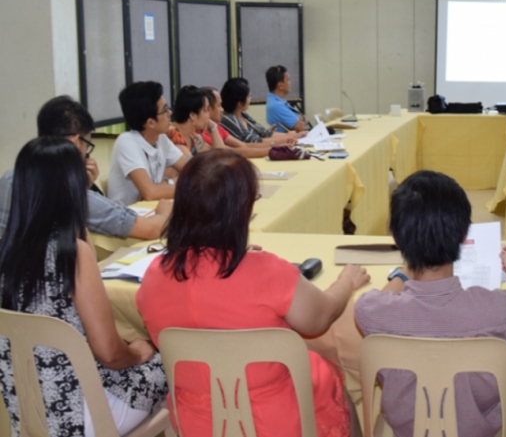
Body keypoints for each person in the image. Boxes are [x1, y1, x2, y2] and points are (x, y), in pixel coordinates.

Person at [136, 150, 368, 437]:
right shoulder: (268, 271)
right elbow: (320, 319)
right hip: (273, 419)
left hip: (196, 421)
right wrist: (346, 281)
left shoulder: (155, 273)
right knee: (326, 371)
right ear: (241, 210)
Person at [354, 170, 506, 437]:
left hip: (407, 429)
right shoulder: (498, 308)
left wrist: (405, 270)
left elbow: (380, 297)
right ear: (463, 236)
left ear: (397, 238)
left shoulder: (370, 310)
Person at [0, 136, 168, 436]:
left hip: (24, 411)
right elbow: (109, 354)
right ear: (72, 190)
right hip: (83, 416)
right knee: (167, 362)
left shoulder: (8, 250)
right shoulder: (70, 255)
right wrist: (139, 353)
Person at [0, 96, 171, 240]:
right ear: (74, 142)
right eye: (87, 145)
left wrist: (82, 186)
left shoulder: (8, 179)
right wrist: (164, 213)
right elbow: (150, 230)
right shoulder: (68, 192)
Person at [108, 81, 188, 206]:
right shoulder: (126, 142)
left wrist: (166, 185)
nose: (170, 113)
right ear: (150, 123)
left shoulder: (161, 139)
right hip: (126, 218)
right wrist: (179, 184)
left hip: (149, 211)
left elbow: (192, 169)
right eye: (165, 110)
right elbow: (151, 193)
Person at [219, 77, 300, 146]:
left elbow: (265, 133)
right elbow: (253, 141)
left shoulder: (243, 115)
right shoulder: (228, 119)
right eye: (249, 96)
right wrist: (286, 138)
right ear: (240, 103)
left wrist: (289, 136)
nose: (251, 99)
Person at [199, 86, 275, 158]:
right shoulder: (201, 132)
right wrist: (273, 150)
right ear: (208, 109)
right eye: (219, 106)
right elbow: (226, 152)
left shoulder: (217, 127)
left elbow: (244, 145)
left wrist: (277, 147)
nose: (222, 110)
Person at [166, 85, 225, 157]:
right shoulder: (172, 134)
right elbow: (190, 167)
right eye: (206, 110)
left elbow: (220, 155)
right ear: (193, 115)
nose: (208, 116)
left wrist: (212, 127)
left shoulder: (194, 137)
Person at [266, 65, 308, 132]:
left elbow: (301, 120)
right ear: (280, 86)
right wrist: (300, 121)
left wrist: (302, 119)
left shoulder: (278, 101)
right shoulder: (276, 105)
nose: (290, 83)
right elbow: (301, 128)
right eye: (288, 80)